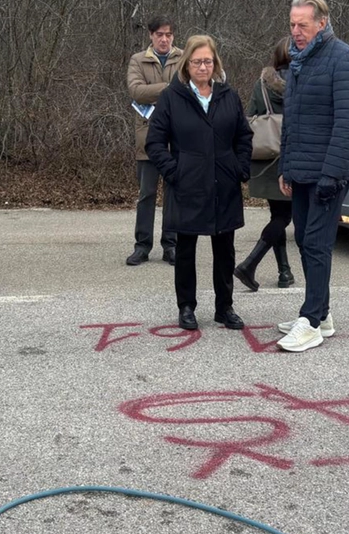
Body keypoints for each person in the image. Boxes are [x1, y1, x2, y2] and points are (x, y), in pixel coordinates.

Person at [275, 0, 349, 353]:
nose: (295, 33)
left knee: (316, 242)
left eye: (302, 25)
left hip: (329, 172)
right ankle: (322, 314)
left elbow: (347, 125)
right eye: (292, 25)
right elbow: (293, 121)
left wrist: (331, 175)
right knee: (304, 239)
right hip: (301, 170)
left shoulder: (345, 60)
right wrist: (286, 165)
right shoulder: (300, 62)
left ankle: (311, 321)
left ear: (322, 22)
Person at [146, 35, 253, 331]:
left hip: (224, 185)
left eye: (207, 61)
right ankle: (187, 307)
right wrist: (175, 172)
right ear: (187, 64)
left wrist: (239, 168)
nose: (202, 67)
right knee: (185, 250)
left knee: (225, 250)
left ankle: (225, 307)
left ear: (215, 63)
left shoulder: (228, 95)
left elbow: (244, 136)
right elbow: (155, 142)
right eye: (196, 62)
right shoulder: (172, 97)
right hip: (187, 186)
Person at [234, 38, 295, 292]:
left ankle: (284, 272)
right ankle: (249, 264)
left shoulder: (261, 83)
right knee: (283, 217)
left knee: (277, 215)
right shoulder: (301, 81)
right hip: (290, 158)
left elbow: (249, 119)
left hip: (265, 160)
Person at [126, 17, 182, 266]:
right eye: (160, 34)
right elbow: (137, 91)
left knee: (174, 194)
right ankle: (142, 246)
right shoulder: (138, 60)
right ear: (151, 35)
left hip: (177, 138)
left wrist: (158, 91)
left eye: (168, 34)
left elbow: (191, 87)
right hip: (148, 139)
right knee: (146, 195)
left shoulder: (183, 58)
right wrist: (171, 88)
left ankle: (170, 245)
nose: (164, 39)